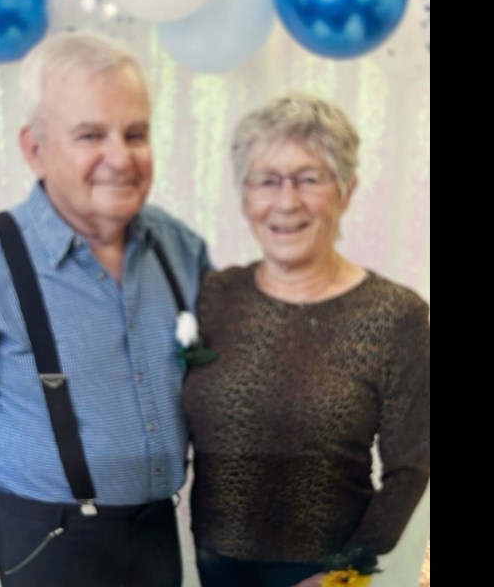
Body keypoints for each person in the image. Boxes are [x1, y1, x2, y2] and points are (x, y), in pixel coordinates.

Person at [0, 33, 211, 587]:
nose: (120, 158)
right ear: (35, 148)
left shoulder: (181, 248)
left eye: (135, 133)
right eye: (90, 134)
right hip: (49, 539)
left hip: (158, 529)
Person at [183, 94, 430, 587]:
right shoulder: (211, 295)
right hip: (214, 567)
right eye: (267, 180)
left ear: (346, 190)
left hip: (323, 575)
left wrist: (346, 571)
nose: (286, 201)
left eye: (310, 178)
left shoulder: (397, 315)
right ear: (245, 196)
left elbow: (411, 463)